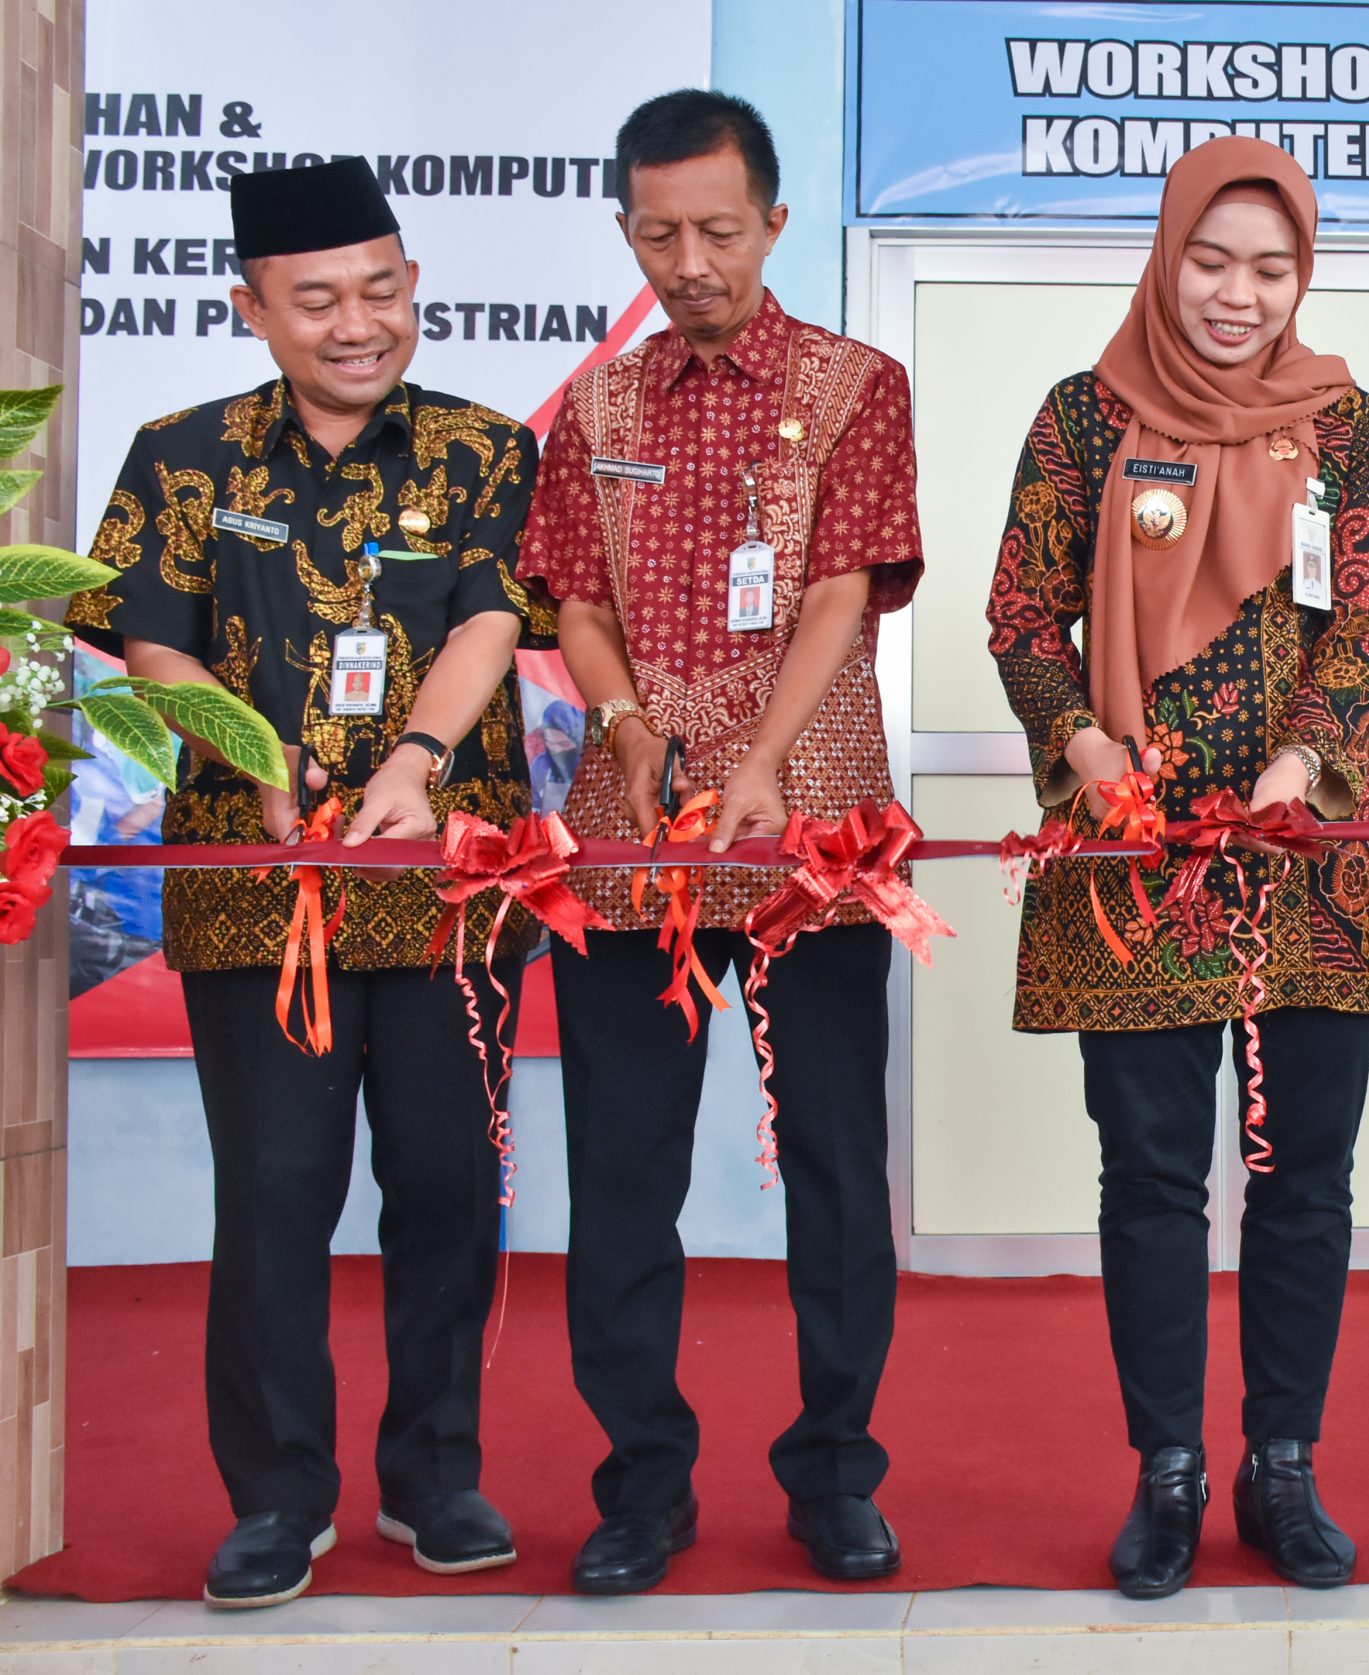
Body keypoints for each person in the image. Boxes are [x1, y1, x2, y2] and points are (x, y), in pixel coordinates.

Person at [66, 159, 544, 1607]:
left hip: (449, 876)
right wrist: (249, 751)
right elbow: (144, 635)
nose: (359, 324)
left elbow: (488, 620)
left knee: (448, 1183)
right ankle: (278, 1496)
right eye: (320, 299)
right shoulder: (181, 454)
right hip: (258, 887)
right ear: (254, 308)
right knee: (275, 1193)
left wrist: (411, 762)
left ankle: (433, 1473)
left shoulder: (484, 448)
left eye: (383, 291)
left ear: (413, 286)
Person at [985, 136, 1369, 1600]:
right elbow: (1020, 615)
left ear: (1304, 275)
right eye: (1212, 259)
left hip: (1312, 850)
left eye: (1272, 266)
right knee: (1153, 1174)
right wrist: (1083, 749)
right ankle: (1168, 1473)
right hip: (1135, 852)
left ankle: (1283, 1466)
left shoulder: (1351, 424)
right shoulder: (1082, 418)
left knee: (1308, 1176)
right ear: (1166, 256)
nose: (1239, 294)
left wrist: (1305, 763)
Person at [515, 90, 924, 1594]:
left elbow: (836, 591)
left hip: (812, 824)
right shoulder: (602, 411)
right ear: (628, 230)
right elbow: (572, 603)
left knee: (830, 1163)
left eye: (719, 229)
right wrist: (625, 732)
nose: (690, 261)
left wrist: (757, 763)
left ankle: (834, 1477)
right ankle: (641, 1485)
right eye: (659, 232)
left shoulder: (854, 385)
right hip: (630, 841)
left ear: (776, 222)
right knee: (624, 1173)